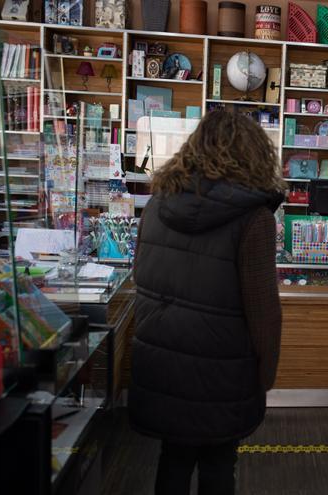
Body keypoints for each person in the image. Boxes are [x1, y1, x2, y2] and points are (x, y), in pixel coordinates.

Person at [129, 111, 285, 495]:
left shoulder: (156, 205)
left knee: (173, 459)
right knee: (218, 465)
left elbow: (142, 279)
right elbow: (263, 312)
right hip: (223, 368)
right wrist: (265, 375)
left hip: (163, 361)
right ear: (254, 154)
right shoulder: (254, 219)